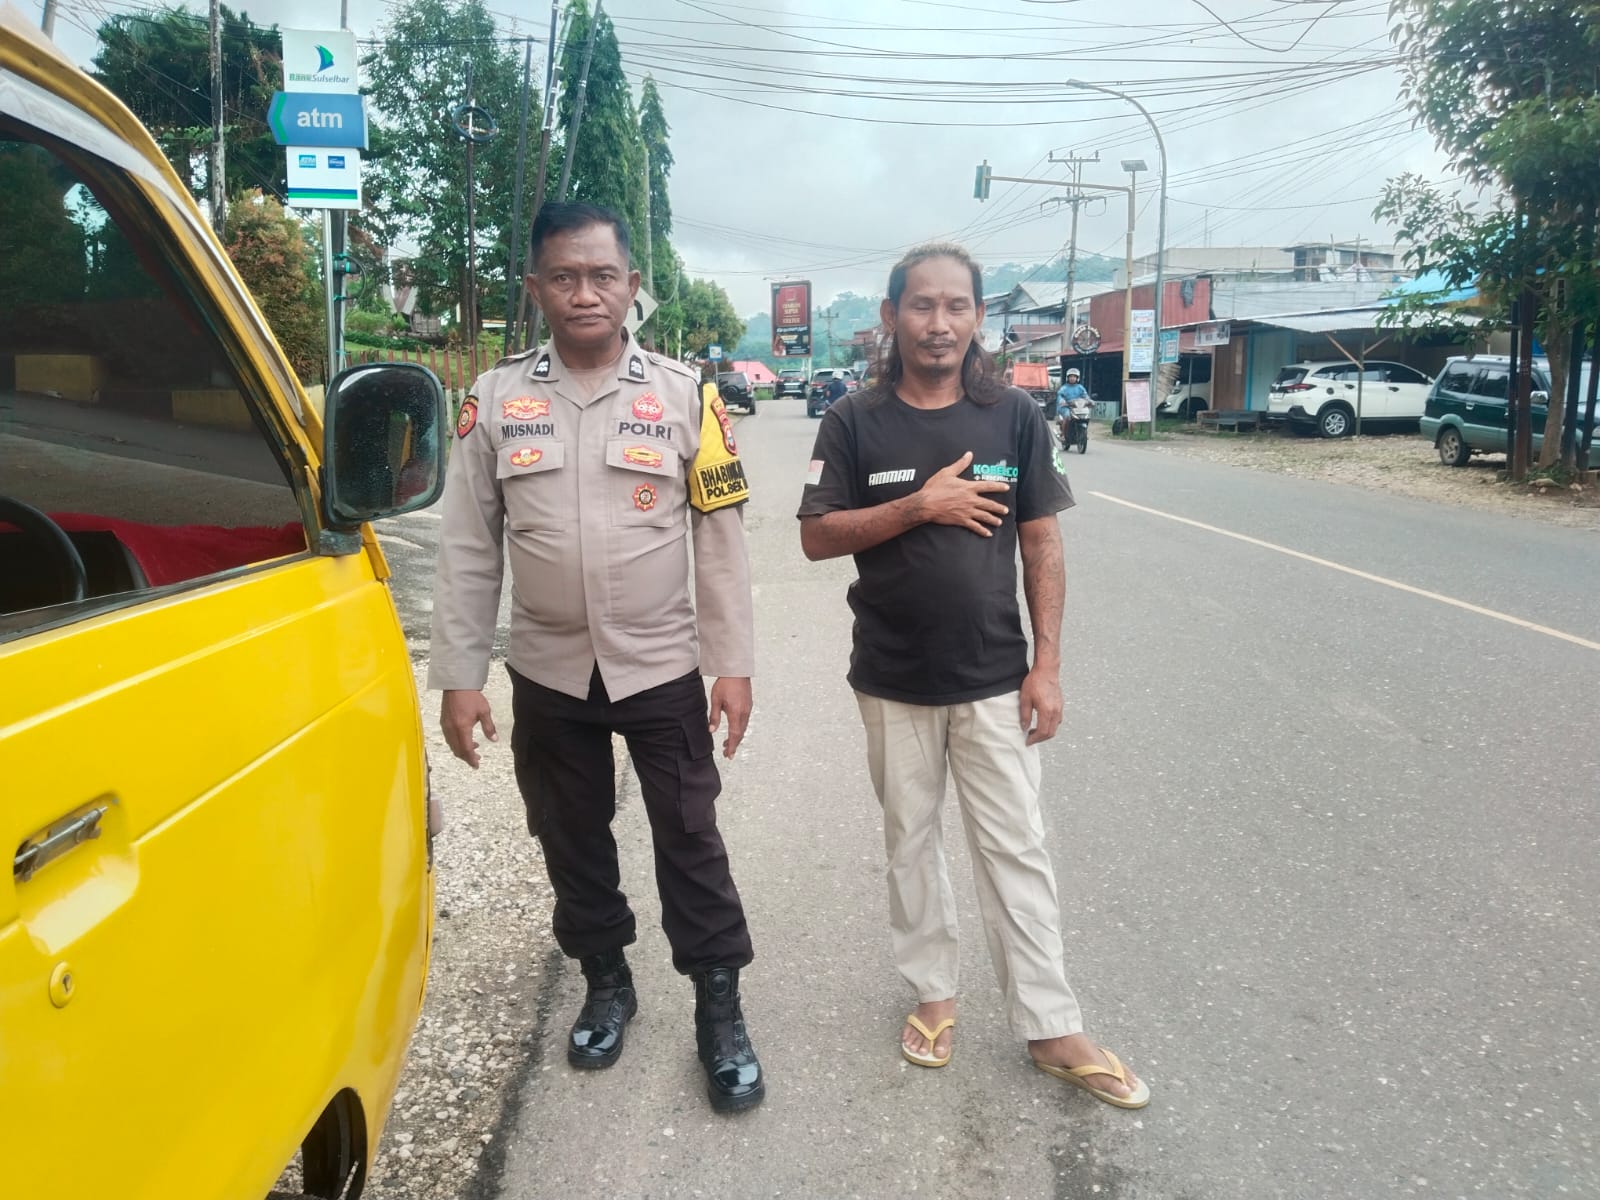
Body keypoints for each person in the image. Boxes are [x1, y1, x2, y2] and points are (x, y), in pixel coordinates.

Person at [795, 242, 1149, 1110]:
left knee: (1016, 849)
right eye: (922, 305)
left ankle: (1051, 1024)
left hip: (994, 676)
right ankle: (934, 995)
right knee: (909, 844)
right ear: (891, 317)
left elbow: (1042, 543)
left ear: (979, 317)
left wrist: (1047, 667)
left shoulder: (1014, 416)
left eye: (957, 305)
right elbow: (815, 534)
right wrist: (921, 505)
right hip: (891, 677)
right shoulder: (852, 420)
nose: (939, 322)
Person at [429, 201, 765, 1113]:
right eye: (565, 277)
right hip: (547, 670)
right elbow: (468, 546)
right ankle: (606, 979)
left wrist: (731, 664)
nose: (585, 293)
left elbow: (720, 540)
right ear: (536, 287)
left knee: (689, 836)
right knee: (569, 833)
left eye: (603, 276)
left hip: (660, 666)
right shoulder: (495, 400)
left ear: (632, 287)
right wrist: (460, 675)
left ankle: (719, 1006)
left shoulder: (687, 396)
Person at [1056, 368, 1090, 449]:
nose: (1072, 378)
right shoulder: (1064, 388)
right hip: (1066, 407)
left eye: (1074, 377)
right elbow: (1060, 395)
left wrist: (1089, 401)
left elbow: (1085, 395)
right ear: (1067, 378)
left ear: (1077, 378)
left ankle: (1083, 433)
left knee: (1086, 416)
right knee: (1067, 416)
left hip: (1078, 407)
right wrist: (1062, 400)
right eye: (1070, 376)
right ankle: (1063, 435)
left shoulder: (1080, 387)